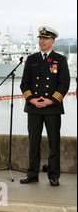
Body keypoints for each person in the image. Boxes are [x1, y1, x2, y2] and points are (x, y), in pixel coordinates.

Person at [20, 26, 70, 186]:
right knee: (33, 142)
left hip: (52, 108)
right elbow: (24, 83)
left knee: (54, 143)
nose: (41, 41)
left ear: (52, 41)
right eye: (40, 38)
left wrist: (51, 100)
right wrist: (31, 99)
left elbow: (64, 84)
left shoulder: (60, 60)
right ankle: (32, 174)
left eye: (45, 38)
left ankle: (54, 175)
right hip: (33, 107)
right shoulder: (31, 59)